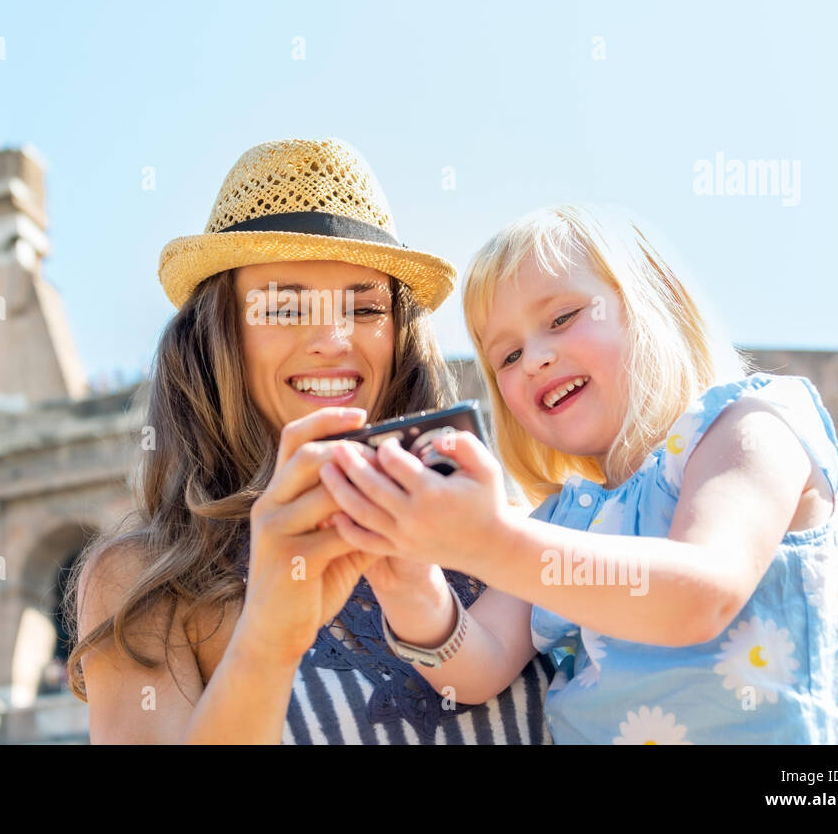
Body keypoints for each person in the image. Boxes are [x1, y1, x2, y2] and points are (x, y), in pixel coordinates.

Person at [319, 203, 838, 743]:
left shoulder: (750, 424)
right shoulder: (560, 521)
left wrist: (490, 540)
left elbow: (699, 595)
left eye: (564, 316)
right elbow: (478, 668)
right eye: (508, 355)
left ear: (658, 305)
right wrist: (405, 581)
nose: (537, 359)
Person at [64, 138, 553, 743]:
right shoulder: (145, 582)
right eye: (283, 307)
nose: (332, 340)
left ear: (400, 336)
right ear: (218, 338)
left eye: (365, 307)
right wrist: (269, 635)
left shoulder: (506, 531)